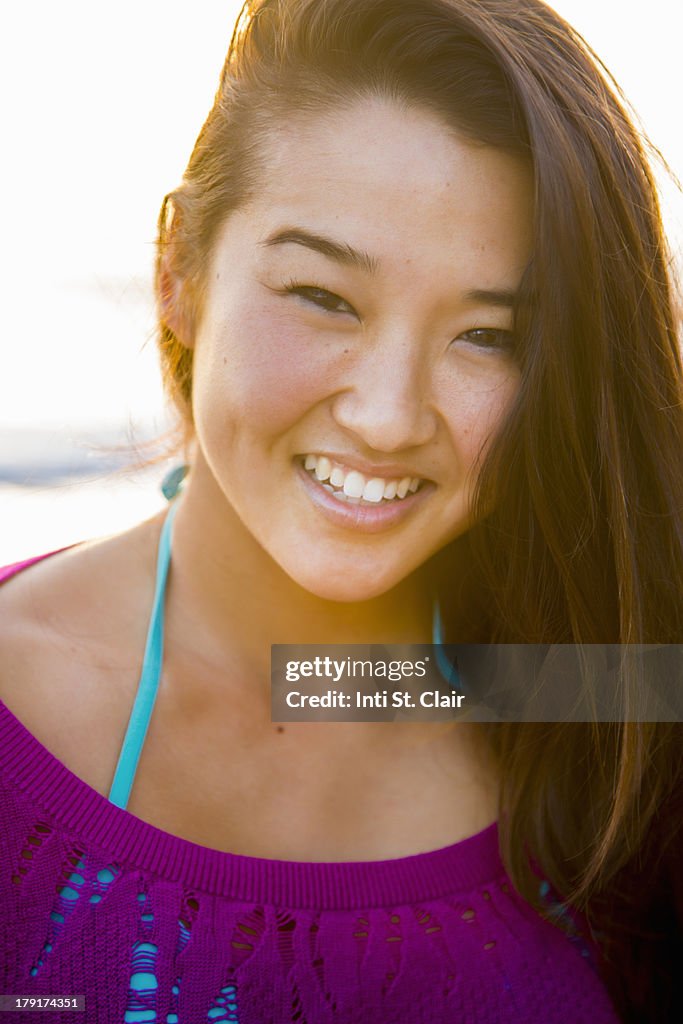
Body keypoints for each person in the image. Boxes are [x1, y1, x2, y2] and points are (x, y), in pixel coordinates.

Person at [1, 0, 681, 1020]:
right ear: (177, 268)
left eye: (488, 335)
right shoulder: (22, 698)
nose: (387, 415)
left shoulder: (608, 713)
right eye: (323, 297)